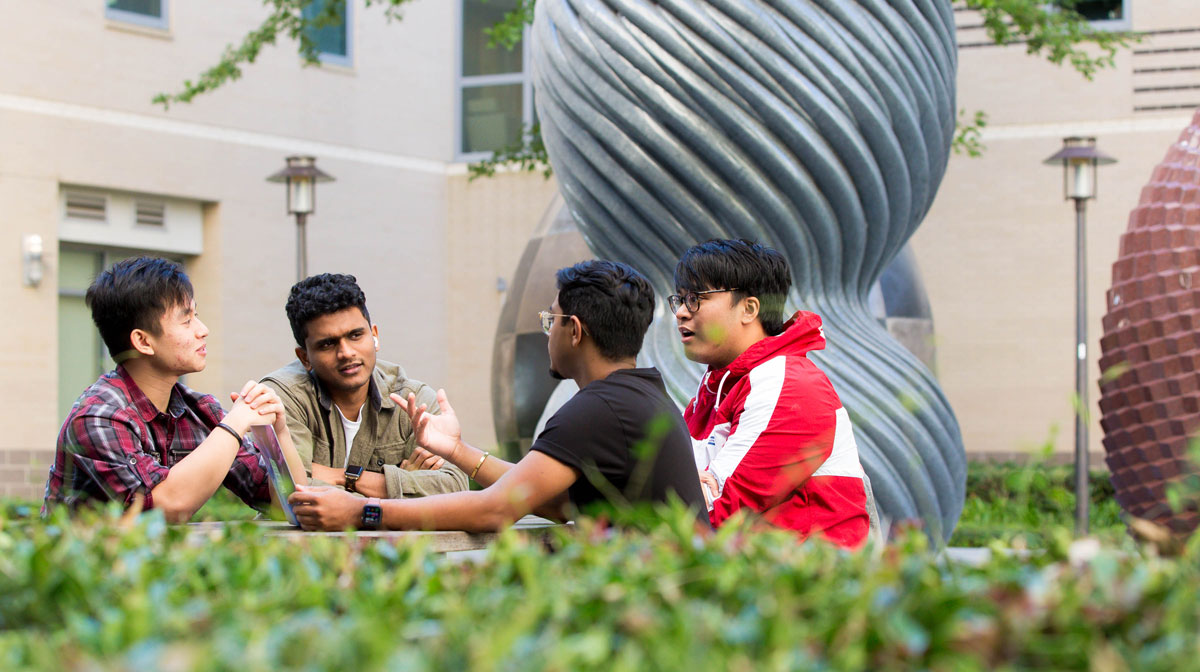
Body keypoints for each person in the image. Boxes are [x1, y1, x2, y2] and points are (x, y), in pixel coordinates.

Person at [288, 260, 707, 531]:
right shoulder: (637, 395)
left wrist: (360, 512)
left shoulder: (596, 409)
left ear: (575, 331)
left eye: (551, 321)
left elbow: (495, 510)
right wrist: (456, 450)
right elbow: (558, 504)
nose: (548, 334)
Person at [43, 257, 305, 523]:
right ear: (143, 341)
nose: (203, 331)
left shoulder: (201, 411)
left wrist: (278, 433)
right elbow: (165, 507)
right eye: (187, 320)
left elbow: (289, 504)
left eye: (197, 316)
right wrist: (236, 422)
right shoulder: (98, 417)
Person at [672, 239, 869, 548]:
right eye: (680, 299)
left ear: (749, 308)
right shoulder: (715, 388)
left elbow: (714, 512)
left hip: (804, 587)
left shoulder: (788, 385)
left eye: (696, 298)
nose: (682, 312)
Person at [260, 274, 468, 499]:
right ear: (305, 357)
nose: (346, 353)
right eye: (327, 344)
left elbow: (455, 486)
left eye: (356, 335)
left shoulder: (412, 399)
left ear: (375, 336)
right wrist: (398, 486)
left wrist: (345, 478)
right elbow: (290, 494)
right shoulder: (284, 396)